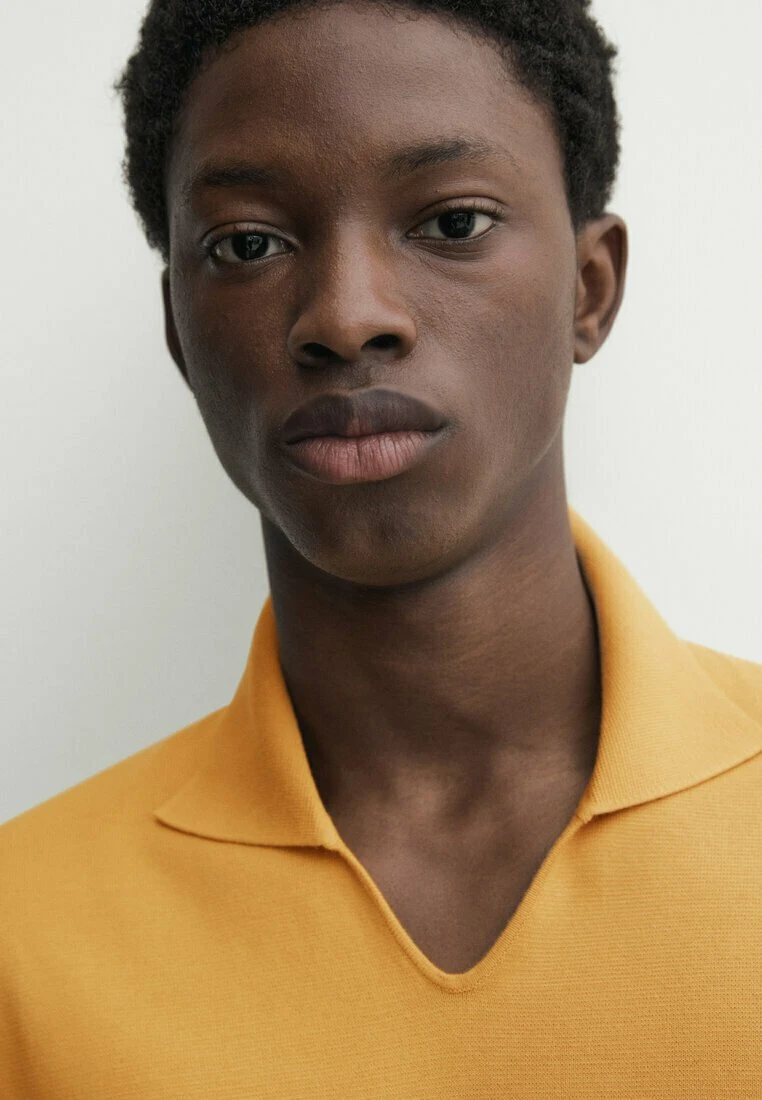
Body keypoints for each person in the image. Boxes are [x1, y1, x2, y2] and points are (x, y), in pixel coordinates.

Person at [1, 0, 760, 1095]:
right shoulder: (26, 935)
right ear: (179, 329)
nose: (347, 316)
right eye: (248, 243)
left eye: (452, 222)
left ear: (590, 290)